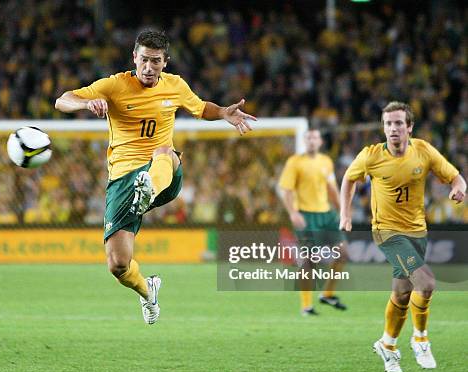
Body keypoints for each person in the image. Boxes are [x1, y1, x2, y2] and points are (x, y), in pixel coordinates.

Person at [54, 30, 255, 324]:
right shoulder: (114, 85)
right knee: (118, 264)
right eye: (144, 60)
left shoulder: (175, 86)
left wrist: (224, 111)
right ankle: (148, 292)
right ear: (134, 58)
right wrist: (86, 103)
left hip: (163, 172)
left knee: (164, 149)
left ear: (165, 62)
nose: (149, 67)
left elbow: (200, 108)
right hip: (123, 179)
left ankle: (148, 187)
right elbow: (62, 100)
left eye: (156, 61)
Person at [339, 102, 466, 372]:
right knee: (427, 282)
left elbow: (456, 177)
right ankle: (420, 339)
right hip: (386, 231)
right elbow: (349, 179)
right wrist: (345, 215)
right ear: (383, 127)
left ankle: (388, 344)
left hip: (417, 232)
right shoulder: (370, 156)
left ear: (409, 127)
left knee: (402, 293)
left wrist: (459, 188)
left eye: (398, 123)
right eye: (388, 124)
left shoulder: (424, 151)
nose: (393, 129)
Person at [278, 129, 348, 316]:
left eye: (314, 137)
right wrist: (293, 212)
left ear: (320, 142)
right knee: (309, 260)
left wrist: (342, 209)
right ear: (304, 141)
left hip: (327, 214)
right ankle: (306, 306)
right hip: (306, 216)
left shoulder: (326, 162)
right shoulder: (294, 162)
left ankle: (327, 294)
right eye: (308, 137)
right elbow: (286, 190)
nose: (311, 140)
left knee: (343, 254)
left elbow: (332, 188)